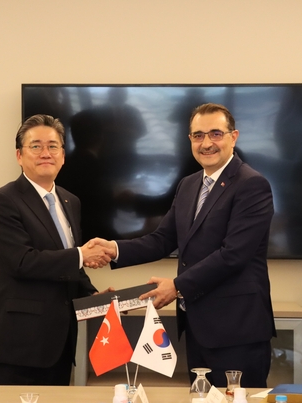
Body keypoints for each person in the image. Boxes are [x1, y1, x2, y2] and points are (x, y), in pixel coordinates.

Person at [89, 103, 276, 387]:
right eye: (198, 135)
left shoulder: (252, 184)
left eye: (215, 134)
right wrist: (114, 249)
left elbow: (233, 255)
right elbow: (163, 239)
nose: (206, 143)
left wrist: (177, 286)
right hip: (198, 327)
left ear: (233, 137)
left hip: (237, 330)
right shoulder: (188, 185)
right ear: (190, 139)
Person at [0, 114, 113, 385]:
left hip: (60, 342)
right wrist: (82, 255)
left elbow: (69, 266)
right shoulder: (2, 201)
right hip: (19, 344)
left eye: (53, 146)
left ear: (63, 156)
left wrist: (93, 298)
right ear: (19, 156)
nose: (46, 153)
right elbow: (22, 261)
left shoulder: (70, 201)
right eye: (36, 146)